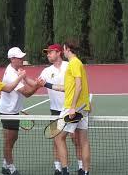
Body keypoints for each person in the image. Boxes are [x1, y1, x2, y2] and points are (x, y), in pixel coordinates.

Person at [38, 39, 91, 175]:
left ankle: (65, 171)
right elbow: (67, 88)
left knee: (58, 137)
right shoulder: (78, 63)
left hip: (72, 107)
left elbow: (78, 86)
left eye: (64, 49)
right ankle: (85, 172)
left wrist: (72, 107)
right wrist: (47, 85)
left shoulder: (73, 63)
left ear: (66, 49)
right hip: (84, 107)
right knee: (83, 141)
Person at [0, 47, 40, 175]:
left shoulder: (17, 69)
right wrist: (38, 86)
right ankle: (10, 168)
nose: (22, 59)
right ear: (12, 59)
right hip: (8, 112)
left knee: (13, 139)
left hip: (14, 111)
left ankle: (5, 164)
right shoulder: (11, 74)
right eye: (19, 58)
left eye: (22, 57)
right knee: (9, 141)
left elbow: (30, 83)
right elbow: (27, 93)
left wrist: (38, 83)